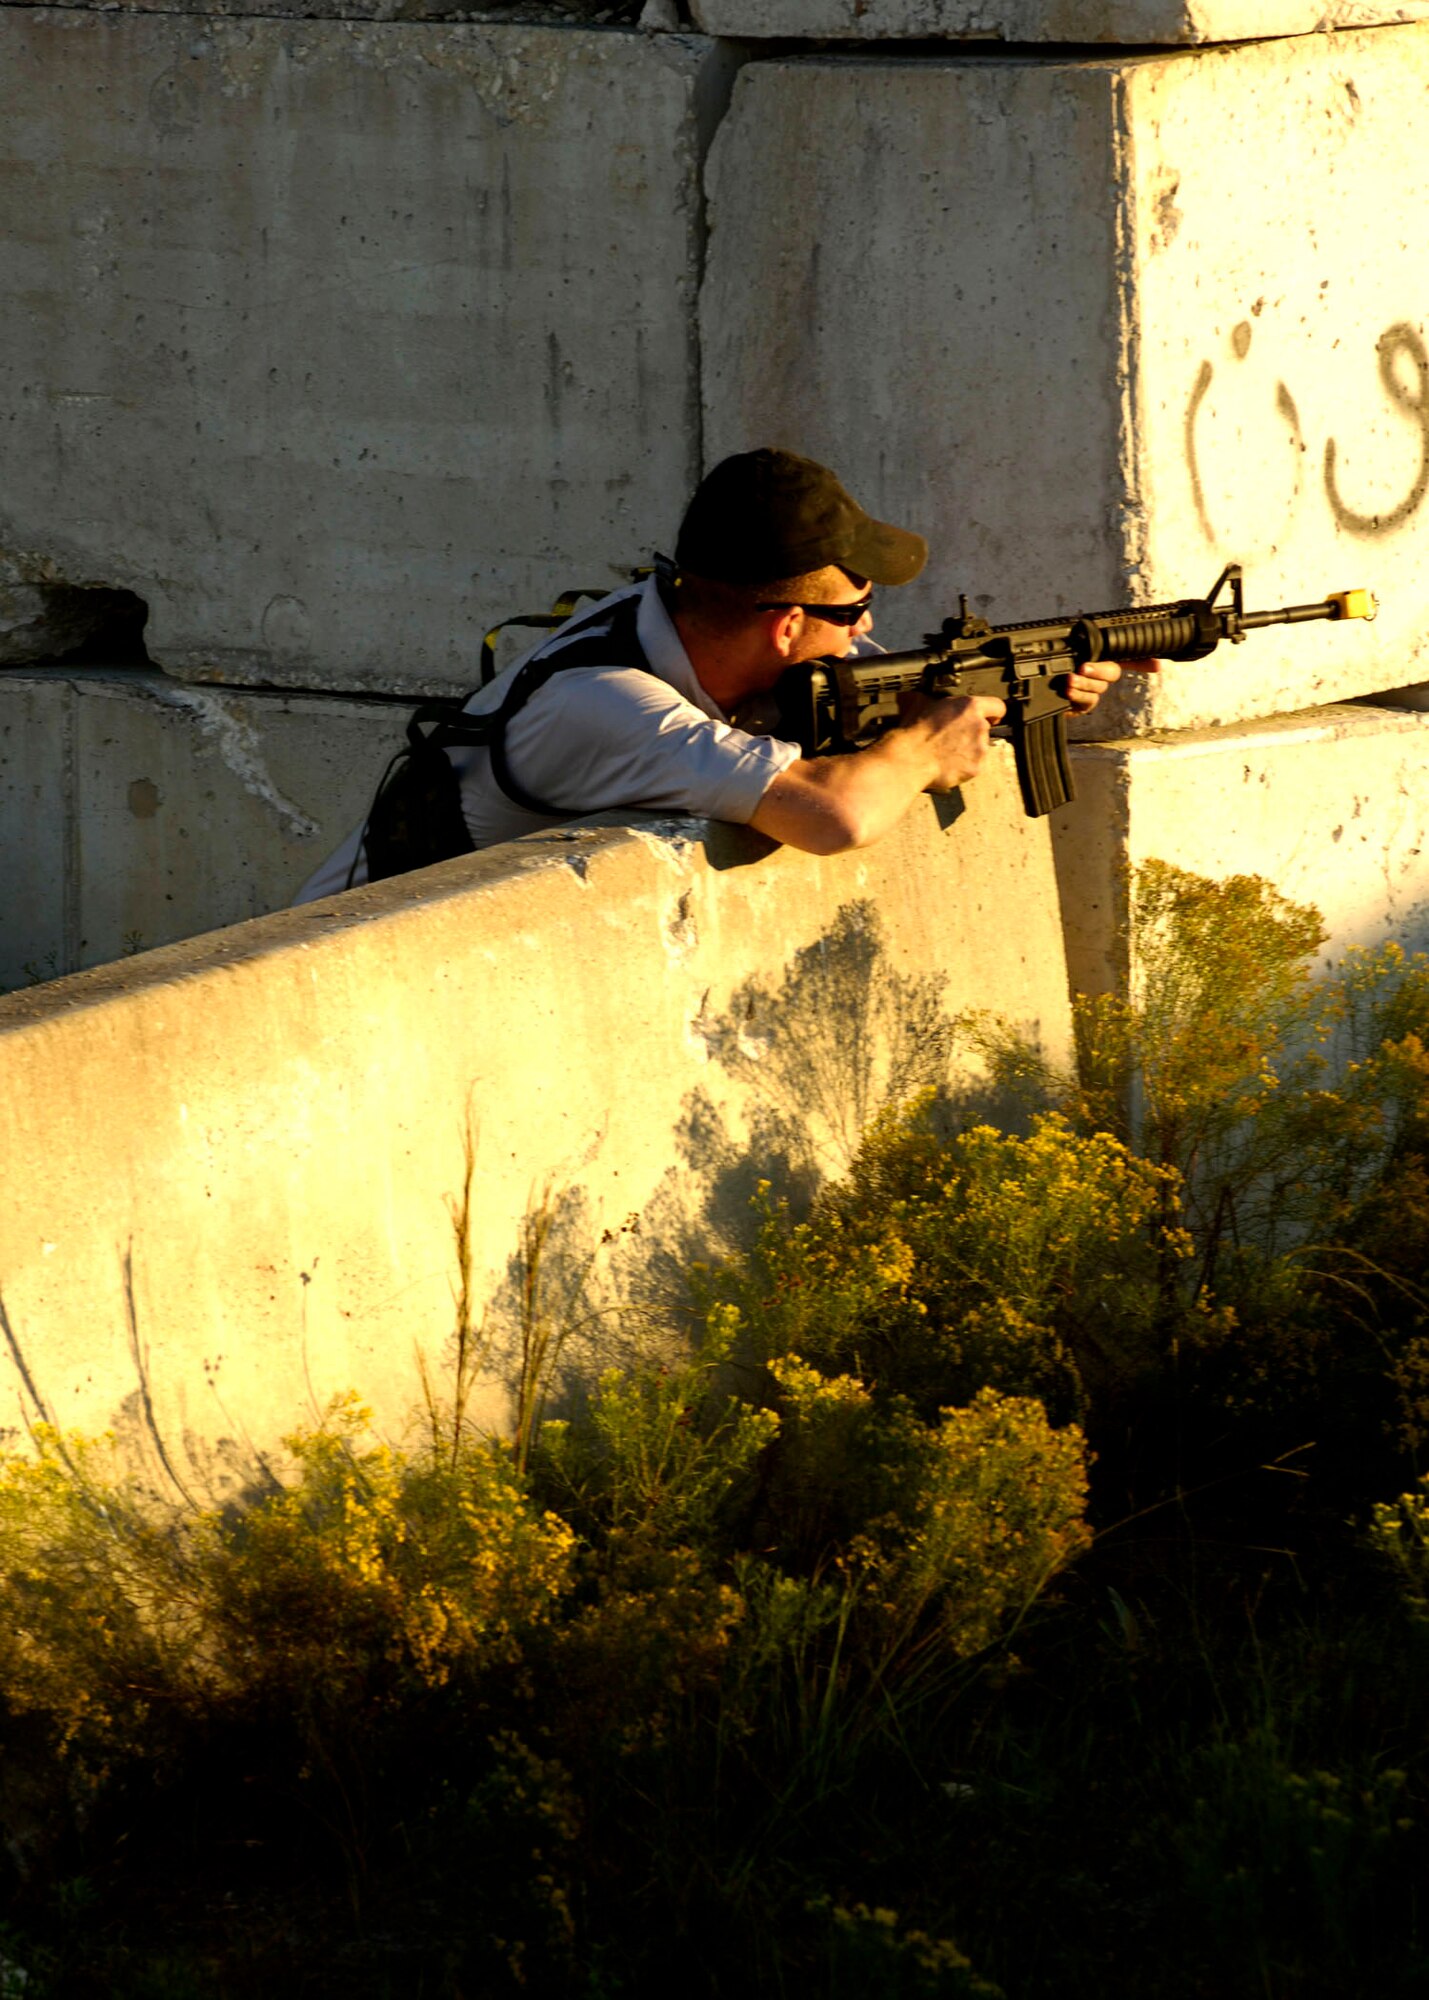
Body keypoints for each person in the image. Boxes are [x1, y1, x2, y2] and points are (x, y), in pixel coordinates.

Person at [295, 449, 1135, 902]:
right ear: (785, 625)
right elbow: (836, 814)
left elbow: (896, 686)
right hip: (353, 960)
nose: (869, 629)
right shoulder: (602, 702)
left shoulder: (685, 612)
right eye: (854, 612)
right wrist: (921, 749)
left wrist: (1017, 688)